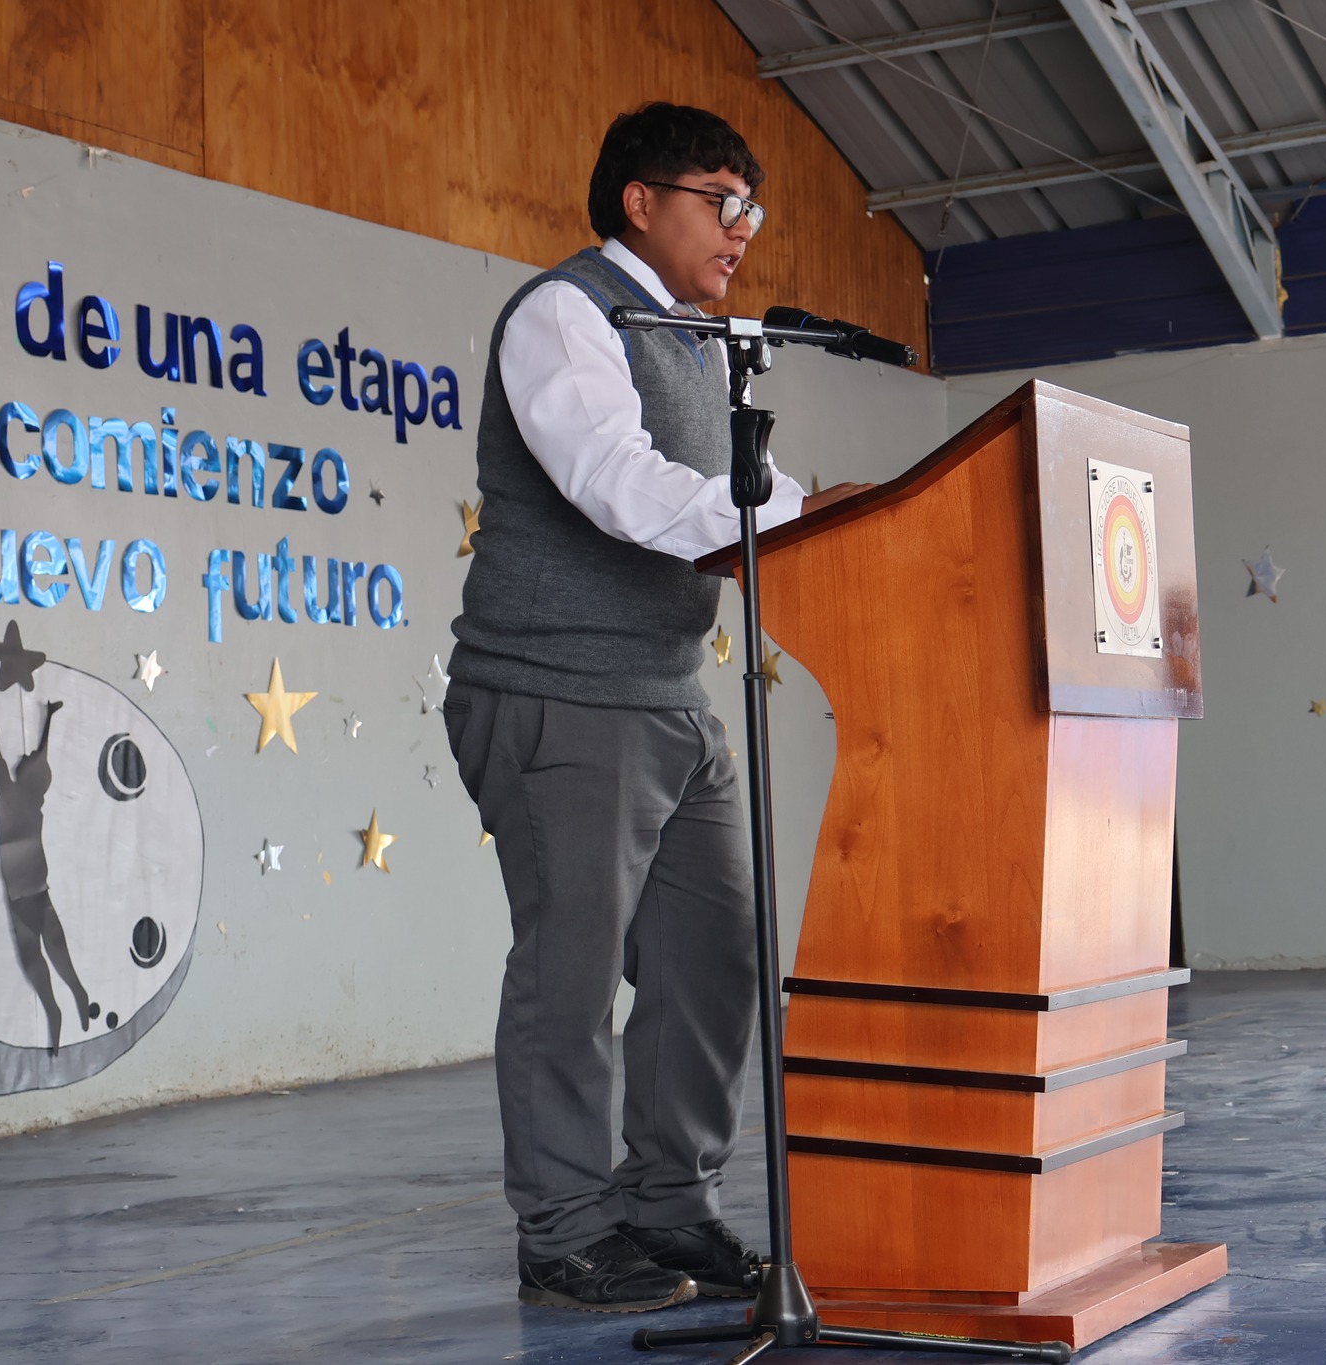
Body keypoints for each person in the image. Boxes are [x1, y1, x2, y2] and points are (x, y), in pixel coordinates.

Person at [444, 102, 868, 1313]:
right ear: (640, 199)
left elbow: (741, 489)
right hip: (555, 689)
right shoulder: (565, 314)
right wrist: (783, 516)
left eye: (753, 208)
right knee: (569, 976)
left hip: (672, 698)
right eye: (720, 200)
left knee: (713, 953)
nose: (743, 229)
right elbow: (613, 481)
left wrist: (825, 512)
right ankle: (564, 1232)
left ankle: (669, 1205)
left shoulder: (695, 337)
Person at [0, 695, 91, 1056]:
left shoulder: (17, 796)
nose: (24, 757)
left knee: (54, 952)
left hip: (33, 892)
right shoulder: (14, 795)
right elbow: (30, 757)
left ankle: (75, 991)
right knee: (35, 960)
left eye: (26, 760)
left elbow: (7, 758)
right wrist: (49, 721)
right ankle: (56, 1009)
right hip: (21, 897)